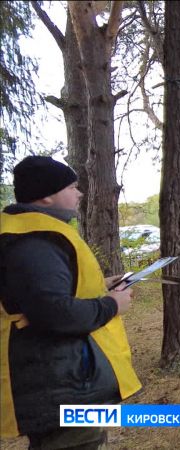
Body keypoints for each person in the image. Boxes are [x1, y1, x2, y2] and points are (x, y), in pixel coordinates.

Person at [0, 156, 141, 448]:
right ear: (48, 195)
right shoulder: (34, 242)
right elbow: (52, 312)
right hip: (58, 382)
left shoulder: (34, 235)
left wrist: (101, 286)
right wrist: (112, 305)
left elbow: (39, 294)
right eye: (72, 186)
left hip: (64, 377)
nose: (79, 193)